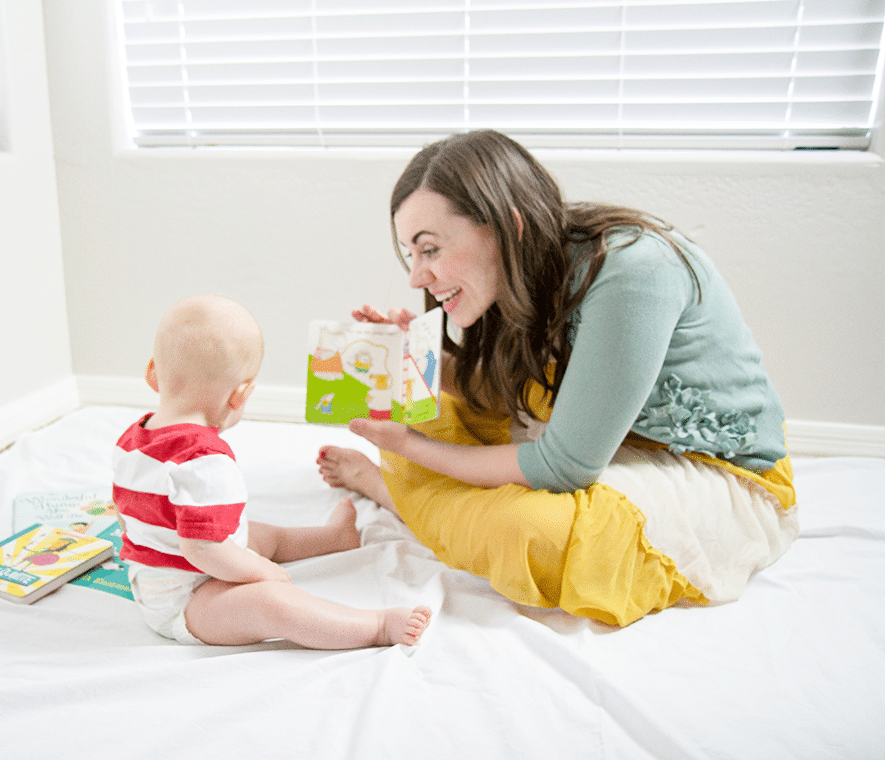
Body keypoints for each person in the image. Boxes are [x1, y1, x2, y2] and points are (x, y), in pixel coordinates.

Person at [317, 130, 798, 627]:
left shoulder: (633, 270)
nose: (417, 276)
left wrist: (408, 448)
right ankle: (425, 501)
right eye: (410, 254)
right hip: (605, 440)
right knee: (433, 411)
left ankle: (396, 495)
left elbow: (566, 466)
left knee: (525, 530)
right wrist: (423, 362)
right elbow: (509, 390)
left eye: (431, 250)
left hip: (720, 474)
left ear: (509, 226)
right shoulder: (524, 268)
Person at [113, 294, 432, 648]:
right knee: (272, 604)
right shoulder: (203, 459)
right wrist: (262, 571)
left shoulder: (131, 440)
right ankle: (376, 626)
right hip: (188, 600)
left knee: (259, 535)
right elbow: (202, 550)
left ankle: (334, 539)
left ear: (152, 373)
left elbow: (127, 515)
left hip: (154, 581)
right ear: (240, 396)